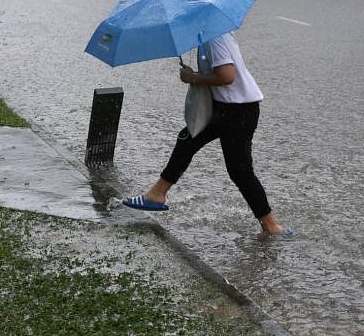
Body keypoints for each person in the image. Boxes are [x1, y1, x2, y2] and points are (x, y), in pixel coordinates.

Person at [123, 32, 291, 236]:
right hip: (223, 108)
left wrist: (192, 77)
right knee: (187, 139)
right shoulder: (208, 35)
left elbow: (227, 76)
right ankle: (156, 194)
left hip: (239, 111)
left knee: (240, 170)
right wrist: (194, 75)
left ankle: (271, 225)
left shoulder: (214, 37)